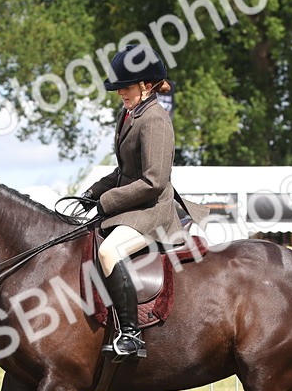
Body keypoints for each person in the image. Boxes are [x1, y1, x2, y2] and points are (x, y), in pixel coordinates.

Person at [80, 44, 207, 360]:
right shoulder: (130, 115)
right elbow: (124, 170)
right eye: (119, 87)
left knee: (109, 251)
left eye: (126, 86)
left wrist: (106, 203)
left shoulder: (155, 120)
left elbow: (154, 181)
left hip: (153, 212)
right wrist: (91, 192)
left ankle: (131, 335)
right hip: (134, 208)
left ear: (146, 85)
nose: (120, 92)